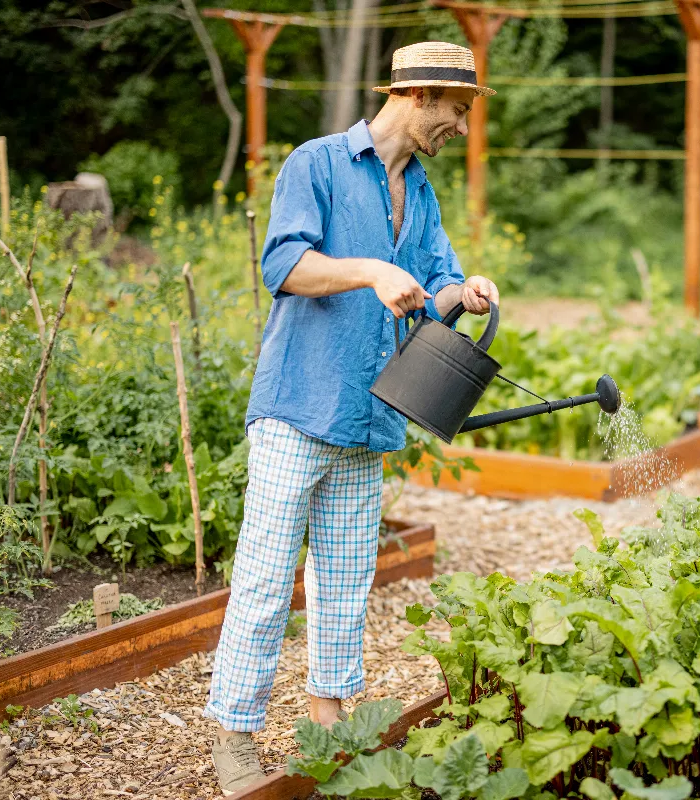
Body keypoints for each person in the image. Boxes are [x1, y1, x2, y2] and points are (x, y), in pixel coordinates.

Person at [203, 41, 500, 795]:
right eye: (457, 112)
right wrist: (370, 269)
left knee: (343, 581)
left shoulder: (422, 193)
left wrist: (463, 293)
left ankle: (330, 726)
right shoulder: (319, 164)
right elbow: (283, 266)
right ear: (421, 95)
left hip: (371, 417)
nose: (461, 128)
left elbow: (431, 286)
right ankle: (234, 734)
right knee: (267, 580)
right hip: (299, 405)